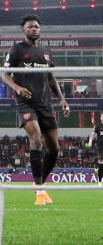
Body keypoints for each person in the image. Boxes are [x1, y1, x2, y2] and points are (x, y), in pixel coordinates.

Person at [2, 14, 70, 205]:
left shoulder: (46, 50)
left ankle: (38, 183)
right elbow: (4, 74)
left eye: (37, 27)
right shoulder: (17, 49)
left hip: (45, 104)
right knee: (36, 138)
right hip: (26, 103)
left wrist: (62, 99)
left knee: (54, 148)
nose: (34, 29)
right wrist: (17, 88)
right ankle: (40, 190)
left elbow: (51, 77)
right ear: (23, 30)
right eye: (30, 27)